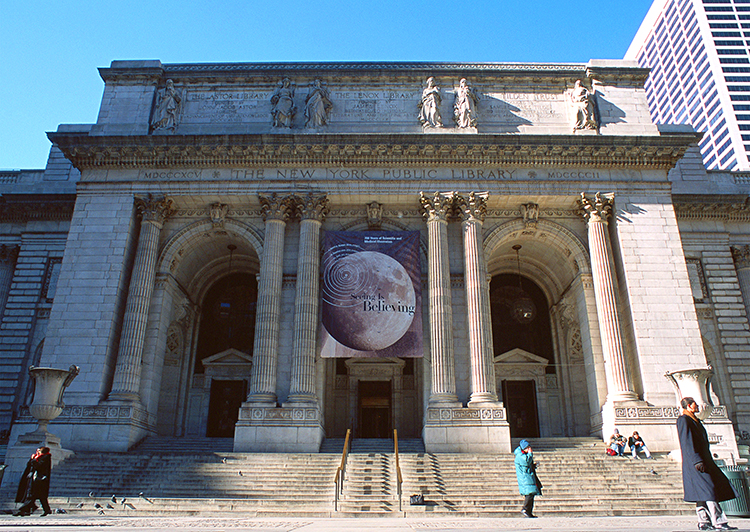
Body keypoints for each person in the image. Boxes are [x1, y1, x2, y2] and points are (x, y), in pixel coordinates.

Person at [677, 397, 738, 531]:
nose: (697, 406)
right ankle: (719, 522)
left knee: (701, 492)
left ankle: (703, 522)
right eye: (695, 404)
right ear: (688, 406)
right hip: (696, 463)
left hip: (703, 461)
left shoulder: (695, 420)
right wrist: (696, 460)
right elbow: (686, 442)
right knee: (709, 491)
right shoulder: (684, 420)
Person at [14, 446, 52, 516]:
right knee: (41, 497)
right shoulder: (37, 457)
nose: (37, 452)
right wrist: (33, 459)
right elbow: (29, 465)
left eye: (38, 451)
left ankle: (22, 510)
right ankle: (46, 510)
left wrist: (34, 460)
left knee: (31, 496)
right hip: (34, 479)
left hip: (40, 481)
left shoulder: (45, 458)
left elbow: (39, 466)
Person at [514, 439, 542, 518]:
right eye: (527, 447)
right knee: (529, 494)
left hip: (528, 477)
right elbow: (526, 462)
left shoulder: (523, 455)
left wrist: (533, 465)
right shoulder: (520, 455)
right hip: (525, 478)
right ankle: (525, 509)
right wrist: (530, 454)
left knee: (532, 494)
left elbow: (527, 465)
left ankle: (529, 511)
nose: (529, 449)